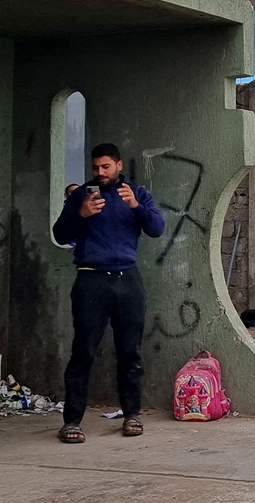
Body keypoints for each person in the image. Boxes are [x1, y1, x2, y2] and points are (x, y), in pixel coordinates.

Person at [52, 143, 165, 444]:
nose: (100, 173)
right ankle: (72, 421)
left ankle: (132, 415)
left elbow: (157, 229)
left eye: (106, 167)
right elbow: (60, 234)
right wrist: (81, 213)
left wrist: (136, 208)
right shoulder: (82, 195)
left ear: (118, 166)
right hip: (91, 280)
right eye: (95, 168)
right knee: (83, 351)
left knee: (130, 351)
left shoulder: (136, 193)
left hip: (128, 279)